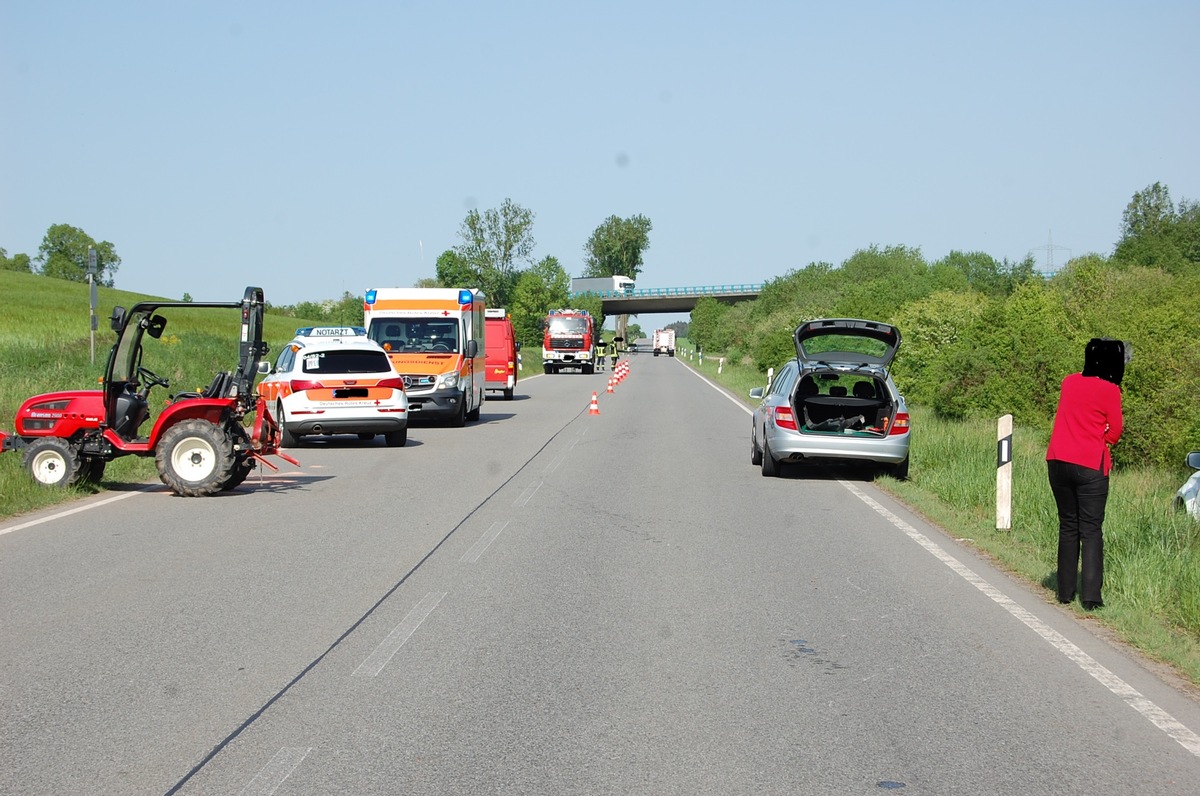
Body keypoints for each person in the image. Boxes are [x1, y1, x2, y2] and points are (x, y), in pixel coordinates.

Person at [1045, 338, 1129, 611]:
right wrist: (1101, 431)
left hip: (1058, 461)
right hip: (1090, 464)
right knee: (1091, 530)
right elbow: (1115, 433)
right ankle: (1091, 597)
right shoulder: (1110, 390)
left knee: (1068, 525)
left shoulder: (1069, 381)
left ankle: (1065, 592)